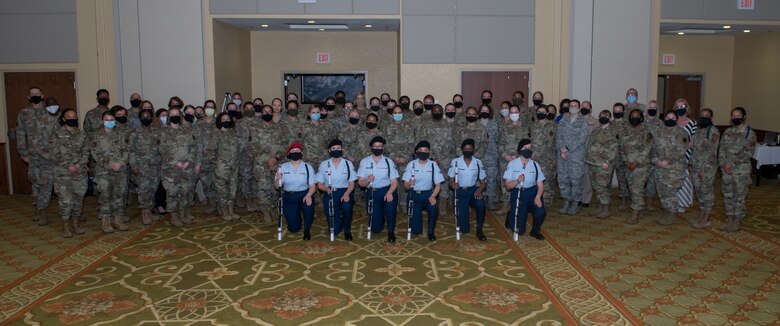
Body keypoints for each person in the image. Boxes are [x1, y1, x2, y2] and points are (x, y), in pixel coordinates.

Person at [46, 108, 88, 238]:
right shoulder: (56, 135)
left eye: (74, 116)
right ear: (64, 119)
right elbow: (53, 154)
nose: (72, 119)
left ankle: (75, 225)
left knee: (78, 200)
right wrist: (68, 165)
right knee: (65, 201)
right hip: (62, 174)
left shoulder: (82, 134)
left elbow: (86, 152)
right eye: (69, 117)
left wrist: (78, 164)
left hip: (80, 173)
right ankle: (65, 227)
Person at [718, 107, 756, 232]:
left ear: (744, 116)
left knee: (740, 195)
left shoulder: (749, 133)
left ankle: (737, 221)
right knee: (728, 194)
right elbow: (722, 148)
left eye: (738, 116)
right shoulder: (728, 131)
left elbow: (748, 152)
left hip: (741, 169)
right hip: (726, 169)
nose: (735, 118)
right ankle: (729, 218)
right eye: (733, 116)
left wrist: (731, 164)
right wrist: (724, 164)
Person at [91, 110, 130, 233]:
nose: (109, 122)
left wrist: (121, 163)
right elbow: (95, 153)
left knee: (119, 194)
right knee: (105, 196)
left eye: (111, 120)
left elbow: (126, 150)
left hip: (120, 170)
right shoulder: (96, 135)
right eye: (107, 120)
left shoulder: (120, 134)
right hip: (104, 171)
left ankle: (118, 219)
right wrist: (110, 164)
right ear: (102, 121)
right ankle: (106, 221)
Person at [25, 94, 62, 224]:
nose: (53, 107)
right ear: (46, 107)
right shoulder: (39, 121)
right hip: (45, 162)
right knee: (45, 189)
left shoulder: (63, 119)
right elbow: (35, 144)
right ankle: (42, 214)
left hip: (61, 161)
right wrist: (49, 156)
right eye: (50, 105)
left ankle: (70, 213)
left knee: (64, 189)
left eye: (55, 104)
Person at [159, 107, 197, 227]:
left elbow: (193, 147)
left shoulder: (186, 131)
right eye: (172, 114)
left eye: (177, 114)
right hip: (171, 169)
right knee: (172, 193)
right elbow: (162, 150)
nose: (175, 116)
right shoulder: (164, 132)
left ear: (180, 116)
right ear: (169, 117)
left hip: (186, 167)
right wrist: (175, 162)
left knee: (184, 192)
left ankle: (182, 214)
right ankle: (174, 217)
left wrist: (189, 161)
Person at [357, 136, 400, 243]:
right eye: (375, 146)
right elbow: (360, 183)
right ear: (371, 147)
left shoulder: (388, 161)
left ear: (383, 148)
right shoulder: (365, 161)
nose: (377, 148)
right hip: (372, 193)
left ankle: (391, 232)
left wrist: (390, 192)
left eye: (380, 146)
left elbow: (394, 182)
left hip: (387, 190)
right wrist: (367, 180)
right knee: (376, 229)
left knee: (390, 209)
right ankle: (380, 219)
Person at [651, 111, 689, 226]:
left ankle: (671, 214)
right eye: (668, 117)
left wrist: (667, 161)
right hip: (659, 168)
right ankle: (666, 212)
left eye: (673, 118)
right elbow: (652, 148)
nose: (670, 119)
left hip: (673, 169)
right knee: (662, 191)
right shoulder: (658, 132)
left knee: (670, 191)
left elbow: (681, 150)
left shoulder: (681, 132)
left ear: (677, 120)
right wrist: (656, 161)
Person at [504, 139, 546, 240]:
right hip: (518, 193)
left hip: (532, 193)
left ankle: (535, 231)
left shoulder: (535, 165)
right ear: (520, 150)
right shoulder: (512, 164)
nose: (528, 150)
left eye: (529, 148)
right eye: (525, 148)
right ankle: (511, 215)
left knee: (541, 211)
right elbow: (508, 186)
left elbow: (540, 184)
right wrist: (517, 181)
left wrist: (538, 197)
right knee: (520, 230)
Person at [402, 141, 445, 241]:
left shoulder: (433, 165)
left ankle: (431, 232)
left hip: (428, 195)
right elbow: (405, 186)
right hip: (414, 196)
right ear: (416, 152)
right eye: (421, 150)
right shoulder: (411, 164)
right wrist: (409, 183)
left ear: (429, 152)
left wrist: (433, 196)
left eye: (426, 150)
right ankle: (417, 225)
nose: (423, 152)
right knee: (416, 231)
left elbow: (438, 185)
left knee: (434, 207)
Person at [249, 105, 285, 225]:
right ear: (261, 113)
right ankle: (266, 213)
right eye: (265, 111)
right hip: (261, 164)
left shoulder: (278, 127)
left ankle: (273, 209)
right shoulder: (255, 128)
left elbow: (284, 145)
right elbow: (254, 147)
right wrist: (268, 159)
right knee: (263, 188)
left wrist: (276, 158)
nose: (267, 113)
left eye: (270, 111)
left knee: (275, 187)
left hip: (276, 163)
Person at [316, 139, 358, 240]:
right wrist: (326, 189)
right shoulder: (324, 164)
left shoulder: (348, 164)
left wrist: (347, 194)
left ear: (342, 149)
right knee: (335, 229)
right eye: (333, 148)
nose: (336, 150)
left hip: (345, 191)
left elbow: (352, 183)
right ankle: (338, 222)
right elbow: (319, 185)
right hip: (330, 192)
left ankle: (347, 230)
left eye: (338, 148)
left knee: (347, 208)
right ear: (329, 150)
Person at [274, 142, 317, 240]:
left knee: (309, 207)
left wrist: (309, 195)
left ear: (301, 153)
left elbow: (312, 186)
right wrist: (278, 179)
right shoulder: (282, 167)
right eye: (293, 151)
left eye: (298, 151)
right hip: (289, 197)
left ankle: (307, 229)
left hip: (304, 194)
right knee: (294, 228)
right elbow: (276, 187)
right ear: (288, 154)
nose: (295, 152)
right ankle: (296, 217)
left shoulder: (307, 167)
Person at [449, 139, 487, 241]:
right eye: (465, 149)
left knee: (480, 204)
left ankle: (479, 230)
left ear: (473, 150)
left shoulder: (478, 162)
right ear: (462, 150)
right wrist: (452, 184)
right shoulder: (455, 162)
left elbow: (483, 182)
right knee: (465, 230)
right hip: (460, 192)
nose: (468, 150)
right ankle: (464, 225)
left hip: (473, 190)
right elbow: (450, 180)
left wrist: (480, 190)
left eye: (470, 149)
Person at [688, 108, 720, 228]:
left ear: (711, 117)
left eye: (707, 115)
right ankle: (701, 214)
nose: (704, 117)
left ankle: (706, 217)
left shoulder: (713, 131)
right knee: (699, 192)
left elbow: (712, 151)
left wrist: (703, 169)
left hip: (707, 167)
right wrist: (691, 165)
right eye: (702, 115)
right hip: (696, 166)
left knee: (707, 192)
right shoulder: (699, 130)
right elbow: (695, 149)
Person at [555, 99, 589, 215]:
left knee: (575, 181)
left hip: (576, 156)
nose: (573, 107)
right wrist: (561, 148)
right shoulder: (563, 121)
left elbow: (582, 139)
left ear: (579, 108)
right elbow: (558, 136)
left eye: (575, 106)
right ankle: (566, 202)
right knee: (563, 180)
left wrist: (568, 148)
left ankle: (575, 203)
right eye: (571, 105)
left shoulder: (583, 122)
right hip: (562, 156)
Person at [620, 109, 653, 224]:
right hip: (628, 165)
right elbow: (621, 148)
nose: (634, 118)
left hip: (640, 166)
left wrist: (636, 162)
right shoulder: (625, 131)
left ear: (641, 118)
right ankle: (640, 207)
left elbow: (647, 149)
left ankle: (635, 214)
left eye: (637, 116)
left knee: (637, 189)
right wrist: (625, 161)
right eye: (632, 116)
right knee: (632, 188)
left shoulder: (646, 131)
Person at [129, 108, 162, 225]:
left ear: (152, 118)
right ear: (140, 119)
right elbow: (131, 151)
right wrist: (134, 166)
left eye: (148, 117)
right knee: (144, 191)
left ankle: (150, 211)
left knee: (153, 189)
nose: (146, 119)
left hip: (155, 167)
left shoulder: (157, 132)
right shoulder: (135, 133)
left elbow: (161, 149)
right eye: (143, 117)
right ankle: (145, 213)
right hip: (142, 167)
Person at [16, 86, 46, 208]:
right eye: (32, 94)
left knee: (55, 180)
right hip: (33, 155)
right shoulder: (24, 113)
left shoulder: (50, 111)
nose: (35, 96)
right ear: (29, 97)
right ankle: (38, 209)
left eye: (37, 93)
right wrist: (23, 153)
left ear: (42, 95)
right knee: (36, 181)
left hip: (50, 153)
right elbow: (20, 133)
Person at [585, 110, 618, 219]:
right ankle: (600, 206)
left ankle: (606, 209)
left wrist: (607, 161)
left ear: (610, 117)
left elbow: (614, 148)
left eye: (606, 115)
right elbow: (590, 144)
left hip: (604, 164)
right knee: (596, 186)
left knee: (603, 186)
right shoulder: (596, 130)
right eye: (602, 115)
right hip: (593, 162)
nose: (604, 117)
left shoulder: (613, 131)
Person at [499, 105, 530, 213]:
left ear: (519, 113)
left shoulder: (525, 128)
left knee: (518, 182)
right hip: (506, 160)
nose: (513, 114)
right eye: (511, 112)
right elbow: (501, 143)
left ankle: (516, 205)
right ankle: (505, 205)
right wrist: (505, 155)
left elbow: (527, 145)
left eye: (515, 111)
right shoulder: (505, 127)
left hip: (519, 160)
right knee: (505, 182)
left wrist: (516, 157)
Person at [214, 112, 241, 220]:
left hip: (234, 166)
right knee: (222, 190)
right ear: (220, 121)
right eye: (223, 119)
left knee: (233, 189)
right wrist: (218, 162)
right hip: (221, 167)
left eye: (227, 119)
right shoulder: (216, 134)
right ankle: (225, 212)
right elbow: (211, 151)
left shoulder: (234, 133)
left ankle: (231, 211)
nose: (226, 121)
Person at [674, 99, 698, 213]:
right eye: (678, 107)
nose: (680, 108)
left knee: (686, 180)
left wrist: (682, 150)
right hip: (673, 156)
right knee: (674, 179)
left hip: (687, 154)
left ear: (687, 107)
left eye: (682, 106)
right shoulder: (673, 121)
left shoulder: (692, 123)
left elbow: (693, 140)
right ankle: (674, 202)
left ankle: (683, 203)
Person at [531, 105, 557, 204]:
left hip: (545, 158)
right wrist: (531, 154)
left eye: (543, 112)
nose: (541, 113)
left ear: (546, 113)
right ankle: (536, 200)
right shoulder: (533, 125)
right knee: (535, 180)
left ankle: (545, 202)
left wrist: (537, 154)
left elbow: (548, 143)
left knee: (545, 180)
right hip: (533, 157)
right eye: (539, 112)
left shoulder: (550, 126)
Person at [643, 100, 662, 211]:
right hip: (643, 157)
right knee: (640, 181)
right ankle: (638, 203)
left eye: (654, 108)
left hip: (655, 157)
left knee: (651, 182)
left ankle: (649, 203)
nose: (652, 109)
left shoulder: (661, 123)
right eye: (650, 107)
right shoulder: (642, 123)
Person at [611, 103, 630, 209]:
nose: (617, 112)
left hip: (622, 156)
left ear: (623, 111)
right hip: (611, 156)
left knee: (622, 179)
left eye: (619, 111)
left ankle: (624, 200)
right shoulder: (610, 123)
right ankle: (605, 200)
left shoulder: (627, 124)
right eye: (615, 110)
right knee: (607, 179)